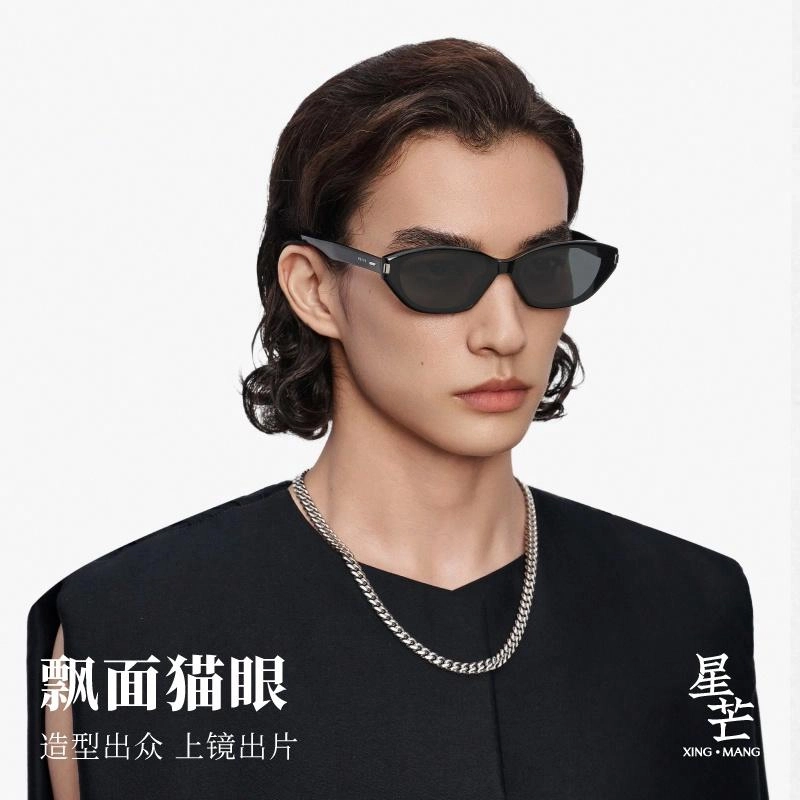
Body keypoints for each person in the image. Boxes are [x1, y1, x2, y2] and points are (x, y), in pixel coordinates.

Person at [28, 37, 769, 800]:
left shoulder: (690, 607)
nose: (506, 331)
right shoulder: (131, 633)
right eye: (440, 273)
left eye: (545, 268)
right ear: (316, 289)